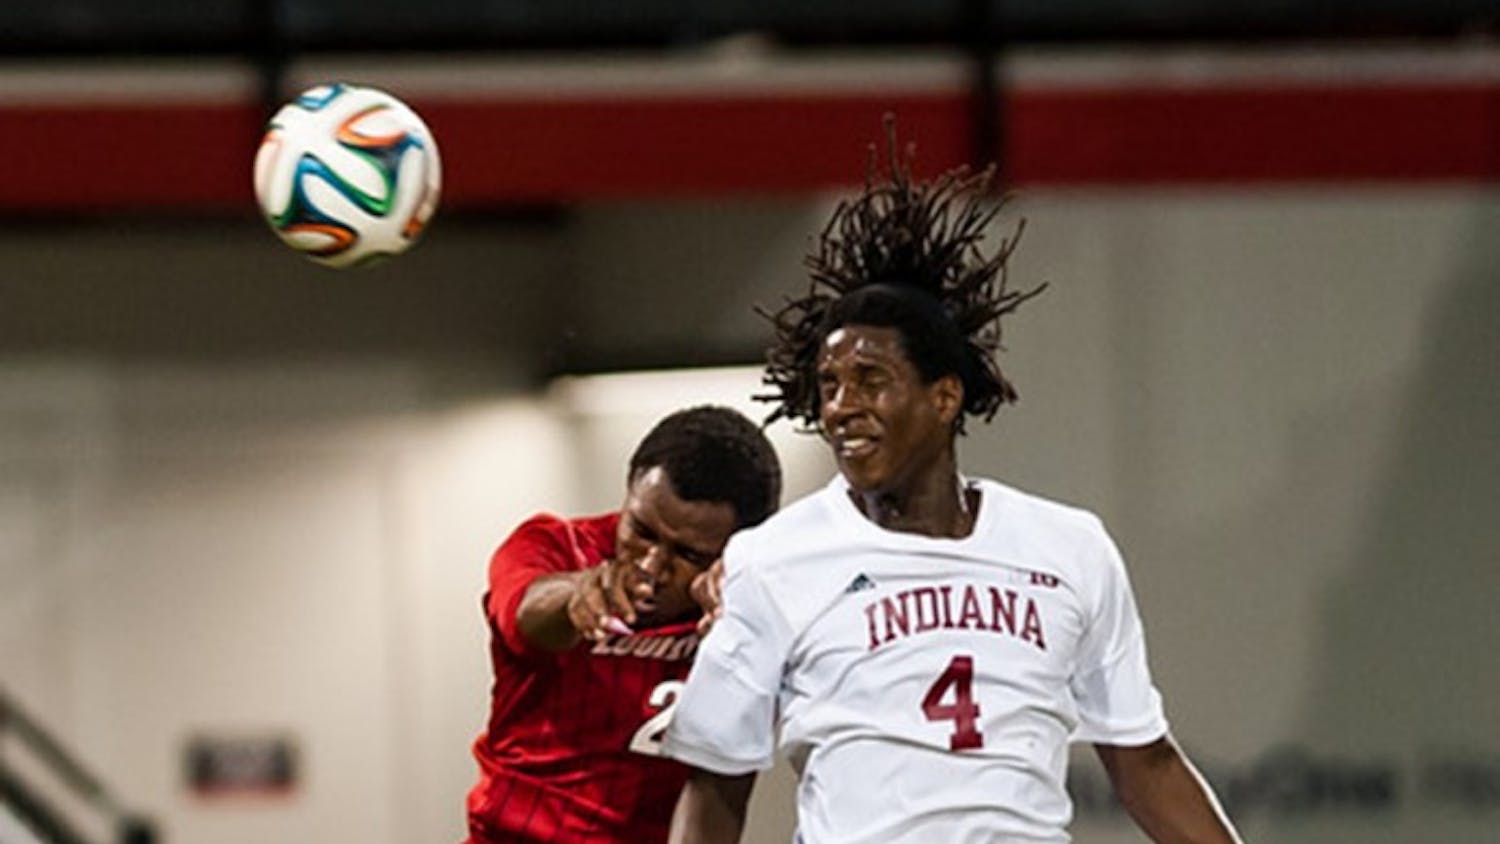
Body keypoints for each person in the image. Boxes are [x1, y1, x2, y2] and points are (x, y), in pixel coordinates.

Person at [662, 136, 1243, 843]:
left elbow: (1144, 760)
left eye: (871, 382)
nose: (842, 406)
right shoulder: (772, 559)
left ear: (944, 398)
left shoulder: (1071, 548)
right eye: (830, 387)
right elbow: (718, 784)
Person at [463, 405, 782, 844]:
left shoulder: (749, 617)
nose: (652, 567)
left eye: (688, 555)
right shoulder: (555, 547)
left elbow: (723, 785)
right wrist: (574, 597)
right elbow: (523, 616)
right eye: (642, 531)